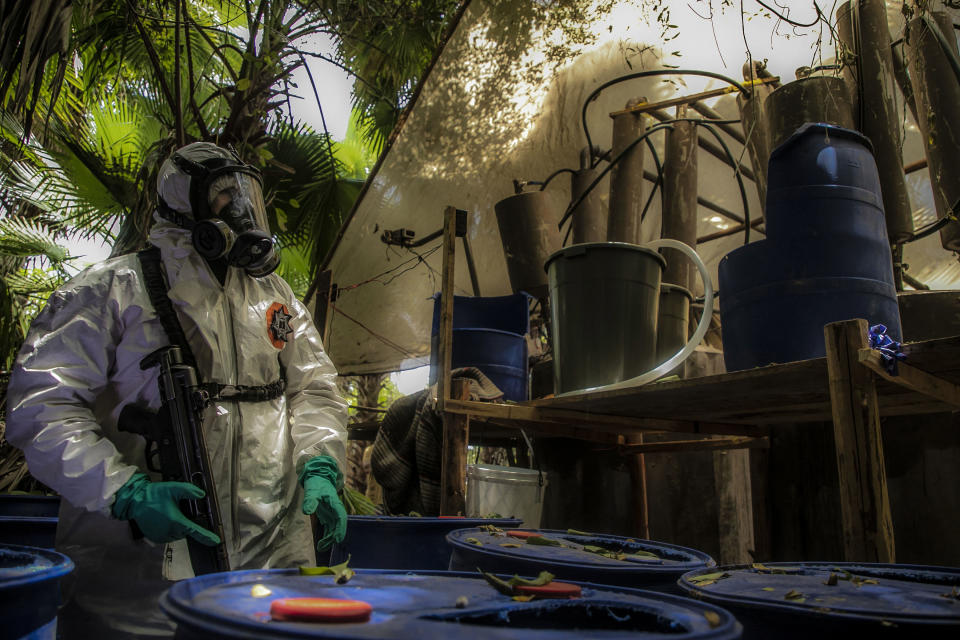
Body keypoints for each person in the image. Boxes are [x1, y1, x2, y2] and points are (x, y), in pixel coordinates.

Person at [5, 142, 348, 638]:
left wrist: (321, 463)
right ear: (182, 202)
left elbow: (313, 389)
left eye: (246, 195)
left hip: (270, 560)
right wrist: (124, 491)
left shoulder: (275, 298)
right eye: (223, 197)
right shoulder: (110, 290)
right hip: (140, 579)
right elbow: (42, 408)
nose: (241, 210)